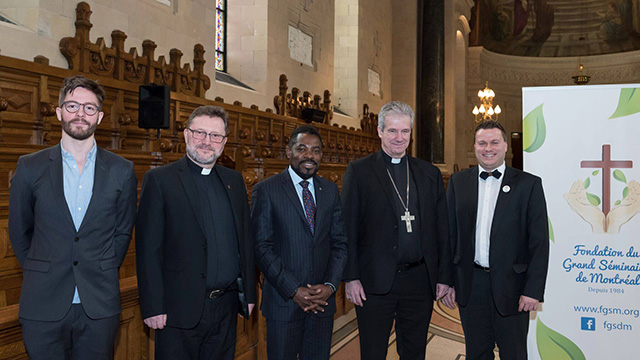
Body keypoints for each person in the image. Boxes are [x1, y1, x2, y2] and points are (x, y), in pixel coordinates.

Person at [8, 75, 137, 359]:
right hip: (43, 301)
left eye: (89, 108)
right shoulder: (30, 167)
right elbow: (19, 231)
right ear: (58, 112)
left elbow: (123, 232)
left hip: (99, 304)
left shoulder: (121, 170)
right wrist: (41, 267)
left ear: (100, 117)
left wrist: (101, 267)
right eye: (72, 106)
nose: (80, 114)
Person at [135, 105, 256, 360]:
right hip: (178, 309)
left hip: (225, 306)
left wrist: (250, 295)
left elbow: (245, 240)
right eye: (200, 133)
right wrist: (153, 306)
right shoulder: (160, 180)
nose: (206, 141)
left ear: (223, 142)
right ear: (187, 135)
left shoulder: (234, 181)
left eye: (215, 136)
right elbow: (148, 249)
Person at [342, 101, 453, 360]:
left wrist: (444, 277)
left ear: (411, 133)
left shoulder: (429, 173)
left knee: (414, 352)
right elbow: (347, 228)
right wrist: (351, 277)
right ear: (379, 131)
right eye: (392, 131)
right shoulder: (359, 171)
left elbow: (442, 229)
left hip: (419, 280)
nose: (399, 138)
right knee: (373, 351)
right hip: (373, 280)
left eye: (405, 131)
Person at [446, 120, 549, 360]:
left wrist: (533, 290)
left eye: (494, 142)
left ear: (505, 146)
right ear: (474, 146)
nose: (488, 148)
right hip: (471, 285)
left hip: (513, 287)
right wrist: (448, 280)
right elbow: (449, 236)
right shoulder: (458, 182)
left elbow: (539, 242)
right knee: (476, 353)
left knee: (513, 354)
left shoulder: (528, 184)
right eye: (482, 143)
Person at [252, 125, 347, 360]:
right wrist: (294, 290)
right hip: (284, 304)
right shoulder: (266, 190)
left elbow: (339, 244)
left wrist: (330, 286)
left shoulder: (330, 190)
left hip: (322, 303)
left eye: (316, 151)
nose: (309, 156)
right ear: (288, 151)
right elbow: (261, 247)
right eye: (302, 149)